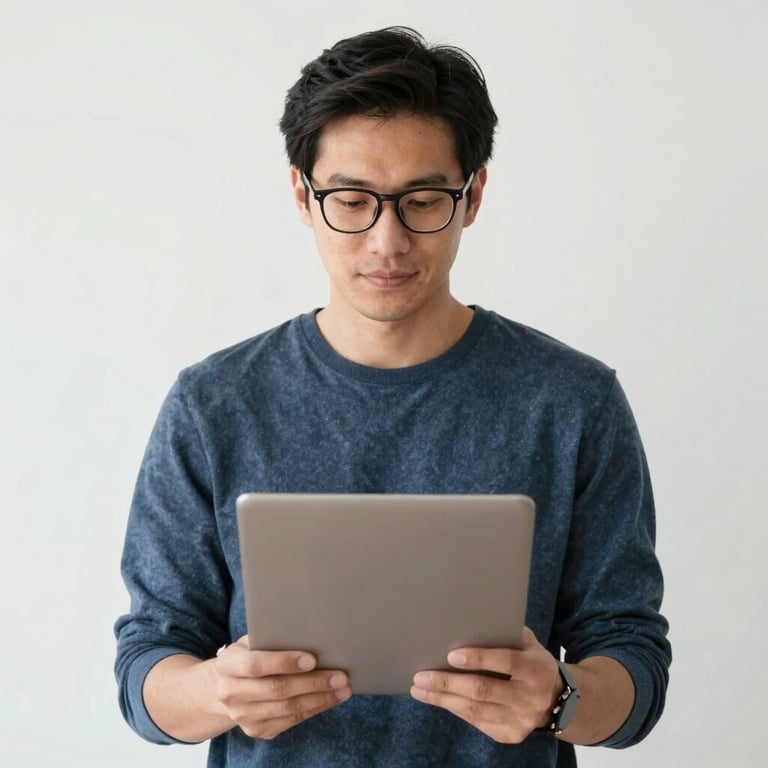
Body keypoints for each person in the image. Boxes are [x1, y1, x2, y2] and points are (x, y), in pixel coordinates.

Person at [114, 26, 671, 768]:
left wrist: (560, 699)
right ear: (303, 196)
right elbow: (146, 670)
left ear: (472, 196)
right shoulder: (212, 404)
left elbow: (632, 660)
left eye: (423, 200)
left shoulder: (574, 402)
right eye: (351, 201)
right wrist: (219, 692)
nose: (387, 241)